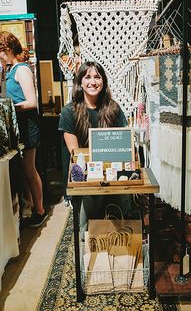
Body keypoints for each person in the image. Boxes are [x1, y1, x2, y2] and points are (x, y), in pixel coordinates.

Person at [58, 60, 132, 236]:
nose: (93, 82)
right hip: (86, 177)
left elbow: (124, 141)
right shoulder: (69, 111)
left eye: (97, 77)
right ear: (80, 82)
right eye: (87, 77)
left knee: (122, 219)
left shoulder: (113, 108)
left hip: (113, 174)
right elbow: (75, 153)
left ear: (103, 81)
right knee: (87, 230)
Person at [0, 31, 48, 228]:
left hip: (27, 126)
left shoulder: (22, 70)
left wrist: (9, 106)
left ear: (7, 50)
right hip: (18, 127)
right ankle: (28, 206)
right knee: (23, 170)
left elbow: (32, 102)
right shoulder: (10, 69)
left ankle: (40, 210)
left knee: (29, 170)